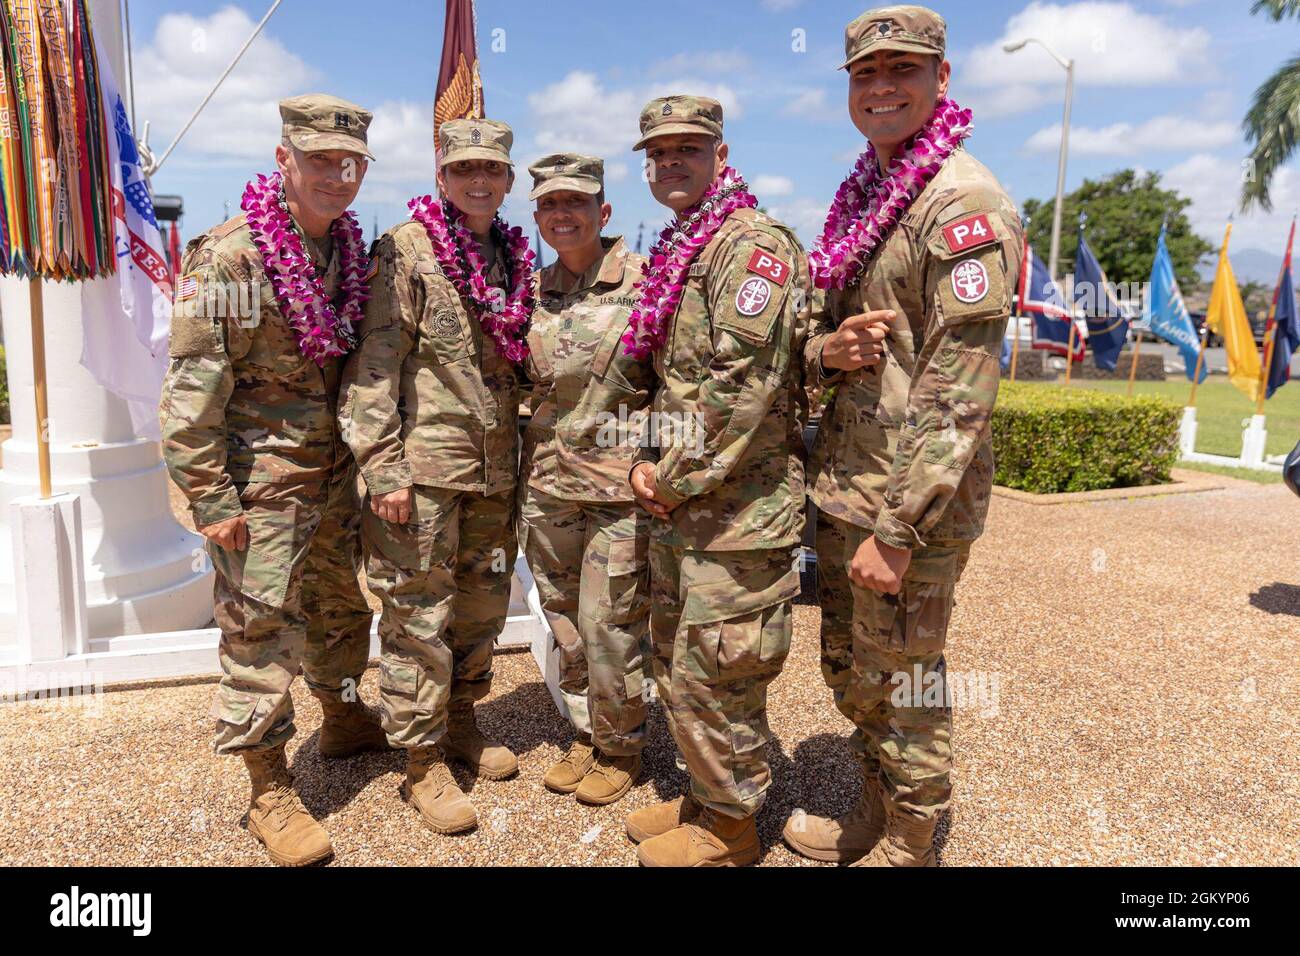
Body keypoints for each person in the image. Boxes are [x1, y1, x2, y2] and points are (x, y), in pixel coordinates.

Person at [781, 5, 1024, 867]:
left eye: (902, 71)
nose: (881, 88)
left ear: (941, 81)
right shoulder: (871, 191)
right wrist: (825, 348)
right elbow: (833, 335)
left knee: (906, 684)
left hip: (908, 509)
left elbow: (960, 389)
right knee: (853, 672)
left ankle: (912, 848)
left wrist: (897, 527)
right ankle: (875, 810)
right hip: (849, 486)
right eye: (865, 74)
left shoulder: (964, 204)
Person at [160, 94, 382, 867]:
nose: (336, 174)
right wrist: (212, 502)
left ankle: (347, 719)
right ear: (283, 158)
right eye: (319, 158)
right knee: (260, 636)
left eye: (349, 161)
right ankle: (268, 790)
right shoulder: (230, 257)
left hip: (333, 480)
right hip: (259, 489)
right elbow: (190, 394)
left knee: (339, 609)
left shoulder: (352, 250)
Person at [620, 95, 810, 867]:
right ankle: (706, 793)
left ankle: (732, 828)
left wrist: (669, 477)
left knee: (722, 670)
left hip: (736, 515)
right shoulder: (687, 245)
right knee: (682, 666)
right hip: (688, 510)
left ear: (720, 157)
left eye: (687, 150)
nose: (671, 163)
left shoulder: (751, 247)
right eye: (658, 153)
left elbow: (740, 386)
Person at [339, 118, 533, 836]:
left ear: (508, 180)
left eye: (491, 170)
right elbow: (374, 369)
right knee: (418, 615)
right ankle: (420, 761)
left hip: (495, 474)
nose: (478, 181)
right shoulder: (406, 251)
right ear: (441, 175)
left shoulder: (514, 254)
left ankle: (459, 720)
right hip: (421, 476)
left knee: (482, 607)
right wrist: (382, 468)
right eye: (463, 170)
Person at [519, 153, 655, 806]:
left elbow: (679, 380)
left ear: (603, 212)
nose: (562, 214)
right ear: (538, 216)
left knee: (611, 627)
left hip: (618, 496)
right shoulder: (535, 293)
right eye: (549, 204)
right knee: (567, 625)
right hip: (549, 489)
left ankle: (621, 748)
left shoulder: (647, 284)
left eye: (575, 202)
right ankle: (588, 730)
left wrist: (662, 457)